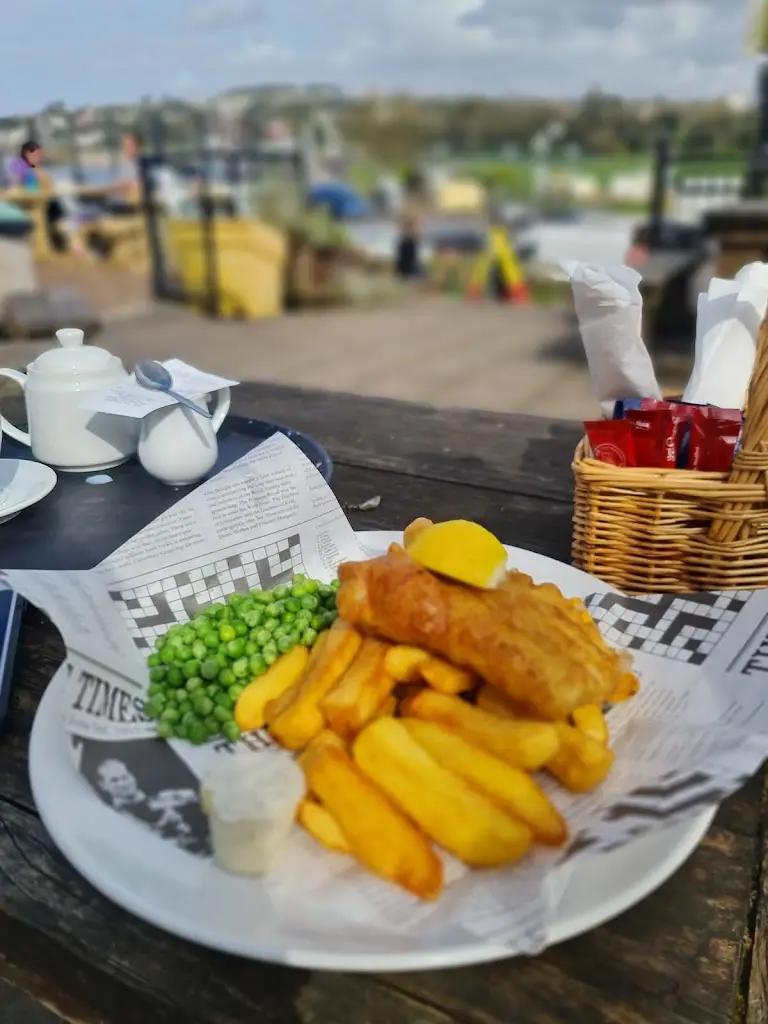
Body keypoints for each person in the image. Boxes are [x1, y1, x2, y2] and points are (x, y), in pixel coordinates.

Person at [395, 170, 426, 280]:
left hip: (407, 238)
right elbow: (409, 220)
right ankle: (408, 270)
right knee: (409, 242)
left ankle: (407, 270)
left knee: (409, 243)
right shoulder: (411, 200)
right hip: (408, 237)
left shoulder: (407, 199)